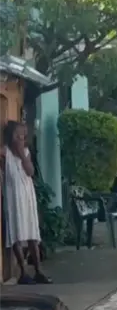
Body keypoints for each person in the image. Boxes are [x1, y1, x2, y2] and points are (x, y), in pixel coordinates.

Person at [2, 121, 51, 284]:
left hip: (27, 196)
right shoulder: (4, 153)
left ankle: (38, 271)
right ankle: (23, 272)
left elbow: (30, 171)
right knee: (16, 233)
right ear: (10, 137)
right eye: (17, 135)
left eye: (23, 136)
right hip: (13, 196)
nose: (21, 139)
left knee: (32, 233)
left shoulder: (26, 153)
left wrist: (23, 155)